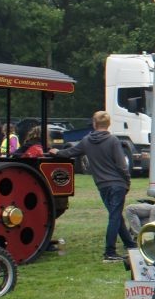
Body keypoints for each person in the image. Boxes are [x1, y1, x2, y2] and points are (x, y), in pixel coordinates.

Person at [51, 111, 135, 262]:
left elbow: (70, 152)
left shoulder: (86, 141)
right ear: (108, 124)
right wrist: (127, 181)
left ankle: (129, 243)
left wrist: (57, 152)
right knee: (115, 216)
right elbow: (122, 165)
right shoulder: (113, 140)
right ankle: (109, 253)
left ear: (94, 124)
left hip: (102, 185)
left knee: (115, 215)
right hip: (117, 183)